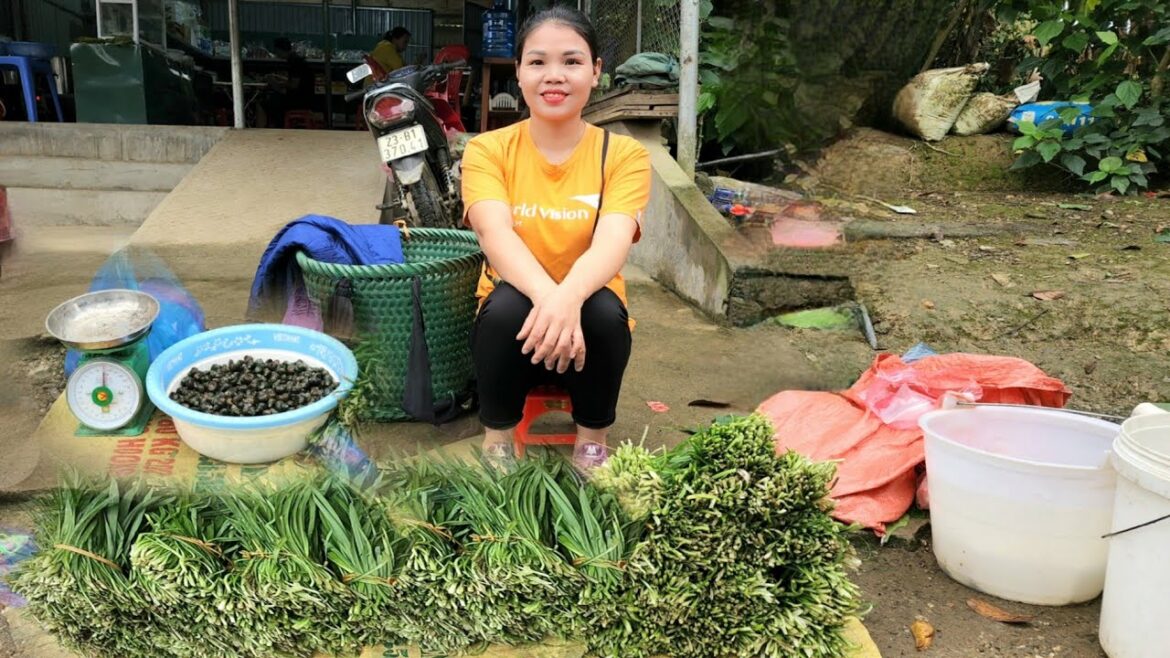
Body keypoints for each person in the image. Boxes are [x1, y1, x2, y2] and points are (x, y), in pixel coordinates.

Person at [460, 6, 651, 471]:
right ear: (520, 73)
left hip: (589, 330)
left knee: (605, 312)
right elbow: (493, 232)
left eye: (571, 61)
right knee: (505, 306)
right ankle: (497, 441)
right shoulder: (487, 150)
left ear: (596, 71)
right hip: (516, 333)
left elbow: (614, 239)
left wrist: (569, 299)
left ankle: (592, 445)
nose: (554, 76)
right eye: (538, 62)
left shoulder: (622, 154)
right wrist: (552, 299)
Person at [263, 37, 315, 128]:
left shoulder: (295, 62)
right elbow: (295, 81)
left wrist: (276, 83)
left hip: (300, 101)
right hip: (305, 98)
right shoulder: (296, 60)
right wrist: (278, 78)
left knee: (269, 101)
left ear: (279, 50)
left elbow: (294, 85)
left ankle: (276, 126)